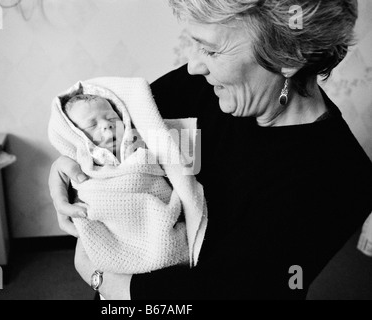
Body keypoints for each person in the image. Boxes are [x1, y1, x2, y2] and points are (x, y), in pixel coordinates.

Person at [48, 0, 372, 299]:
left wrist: (100, 279)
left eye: (212, 50)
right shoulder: (201, 87)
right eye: (196, 43)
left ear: (289, 54)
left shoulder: (340, 177)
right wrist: (66, 166)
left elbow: (229, 292)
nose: (193, 66)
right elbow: (109, 140)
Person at [48, 79, 206, 275]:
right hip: (113, 228)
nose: (106, 125)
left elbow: (174, 146)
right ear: (75, 135)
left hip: (156, 219)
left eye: (112, 118)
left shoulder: (142, 142)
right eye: (92, 125)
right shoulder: (82, 165)